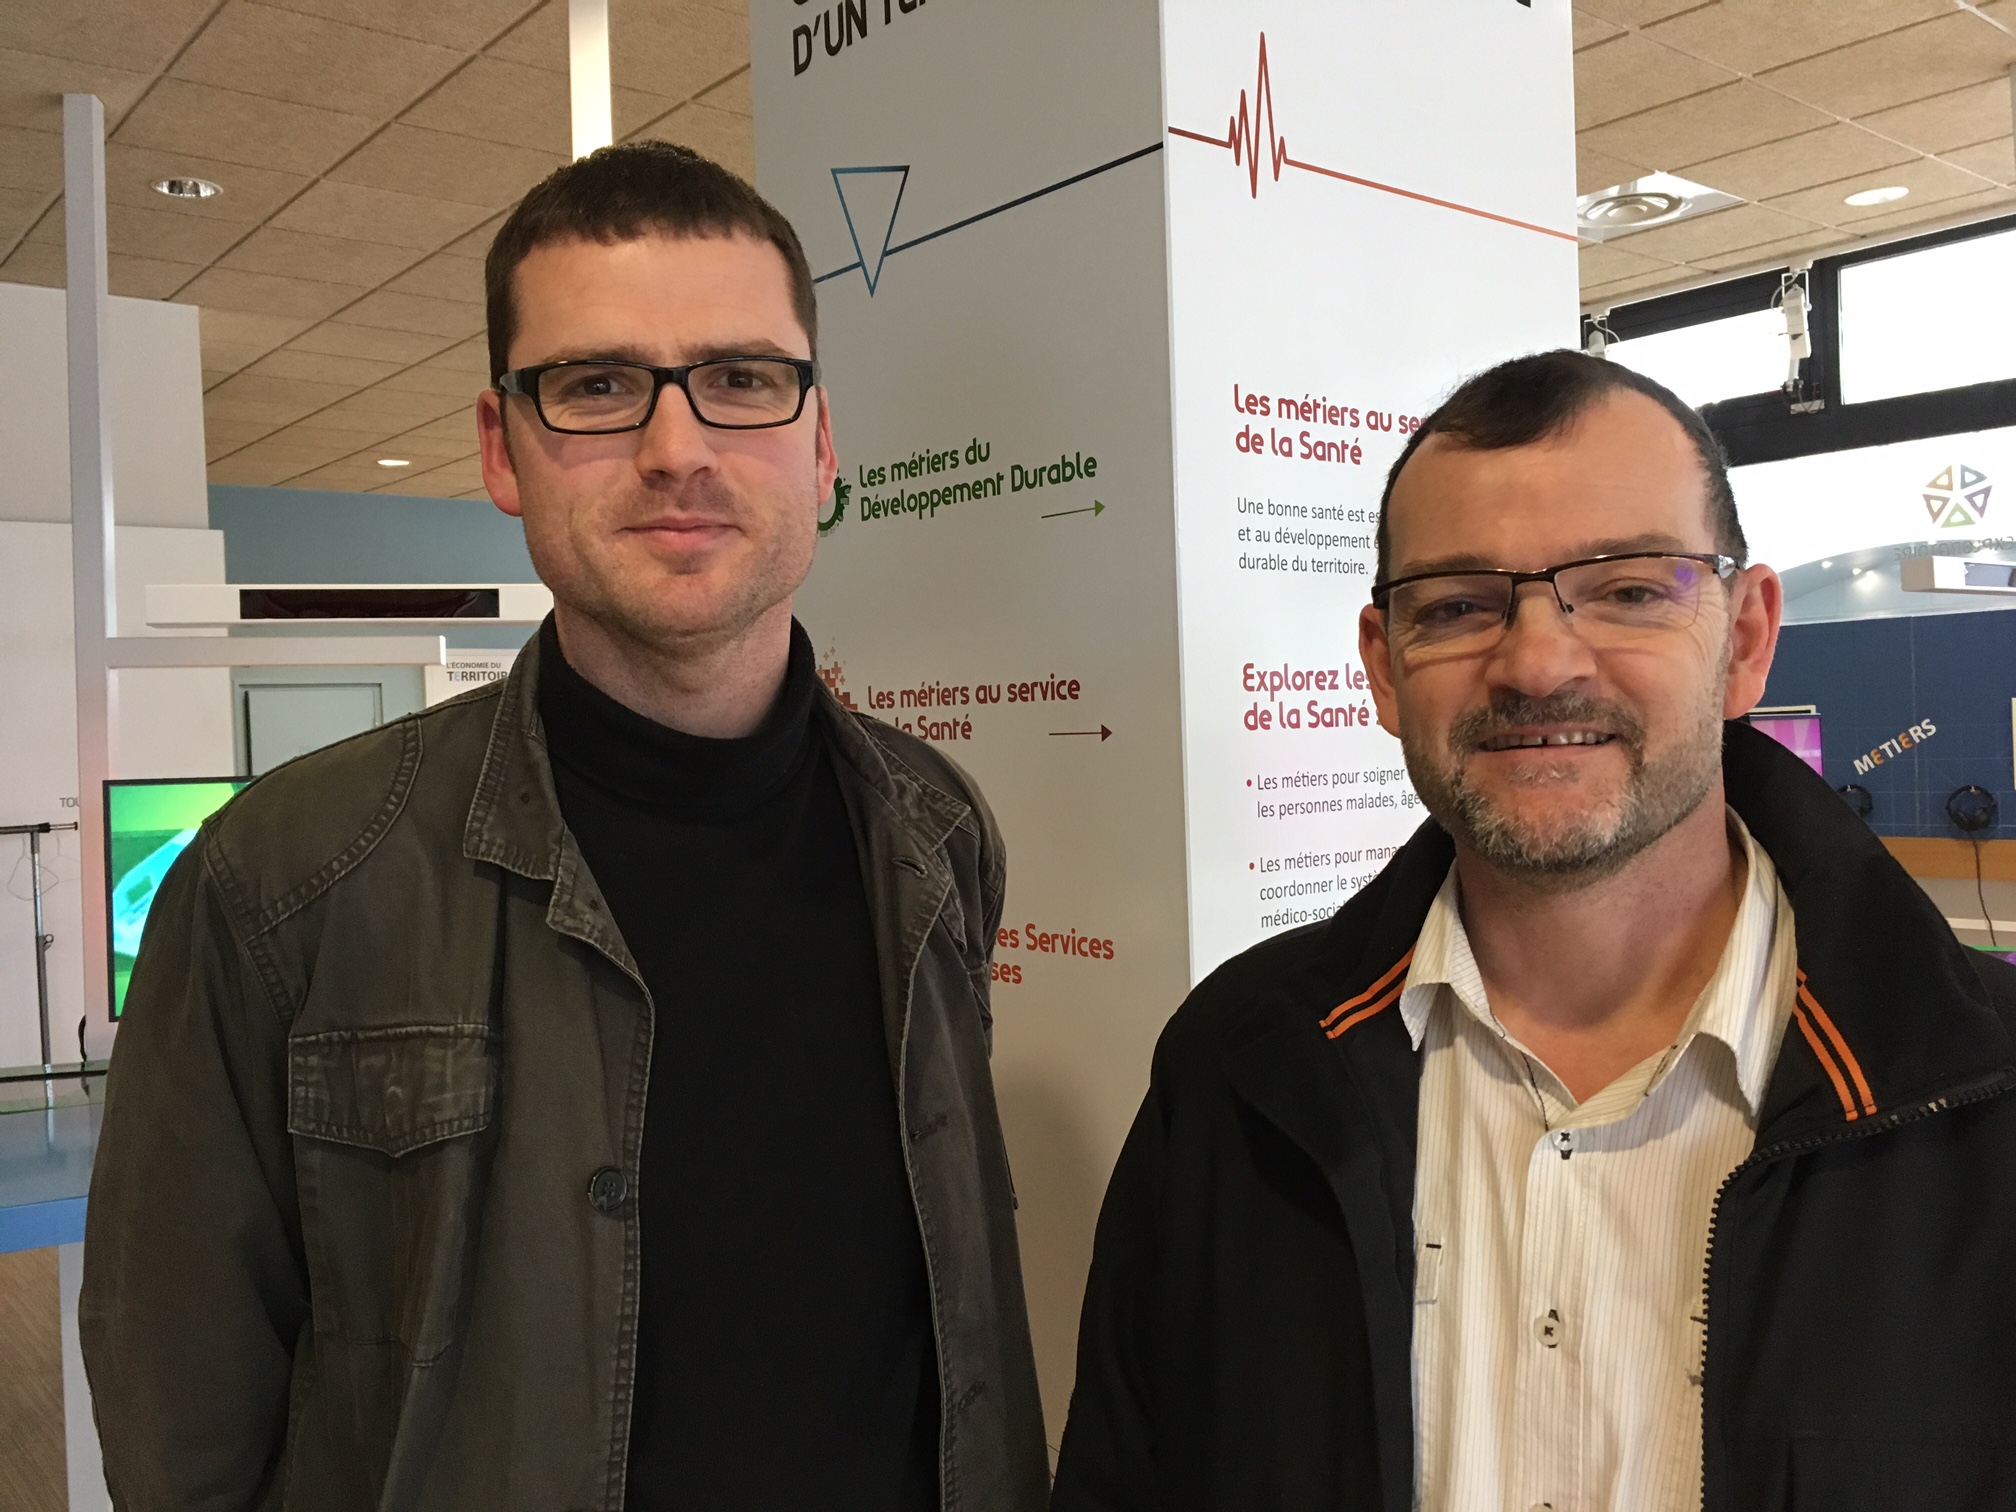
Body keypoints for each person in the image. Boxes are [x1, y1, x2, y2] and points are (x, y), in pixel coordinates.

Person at [81, 142, 1048, 1512]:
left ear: (822, 443)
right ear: (502, 448)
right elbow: (181, 1414)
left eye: (742, 379)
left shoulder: (937, 832)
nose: (678, 448)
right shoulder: (285, 882)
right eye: (596, 386)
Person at [1051, 349, 2016, 1511]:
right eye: (1459, 606)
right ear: (1384, 668)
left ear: (1748, 639)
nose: (1540, 663)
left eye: (1629, 591)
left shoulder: (1982, 1094)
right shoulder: (1238, 1069)